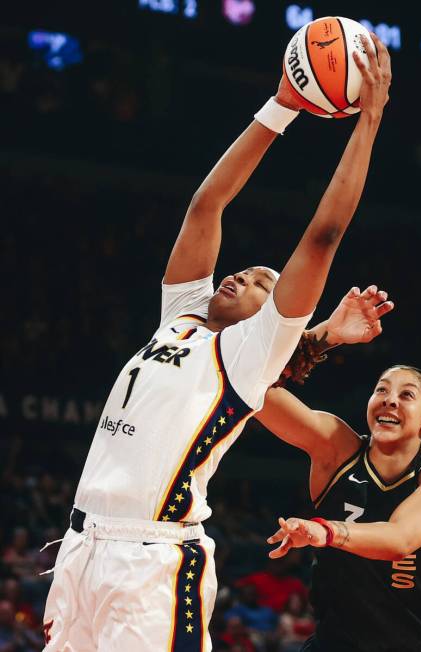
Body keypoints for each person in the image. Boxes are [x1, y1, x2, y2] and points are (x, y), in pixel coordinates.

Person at [42, 34, 392, 652]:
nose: (241, 275)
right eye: (245, 269)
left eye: (262, 282)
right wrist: (280, 106)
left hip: (151, 563)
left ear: (273, 321)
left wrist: (368, 123)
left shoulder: (248, 354)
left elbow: (323, 236)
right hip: (81, 549)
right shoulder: (180, 316)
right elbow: (207, 205)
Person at [257, 320, 421, 651]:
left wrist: (327, 531)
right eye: (381, 390)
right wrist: (325, 338)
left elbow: (400, 540)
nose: (389, 400)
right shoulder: (336, 447)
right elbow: (253, 386)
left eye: (406, 395)